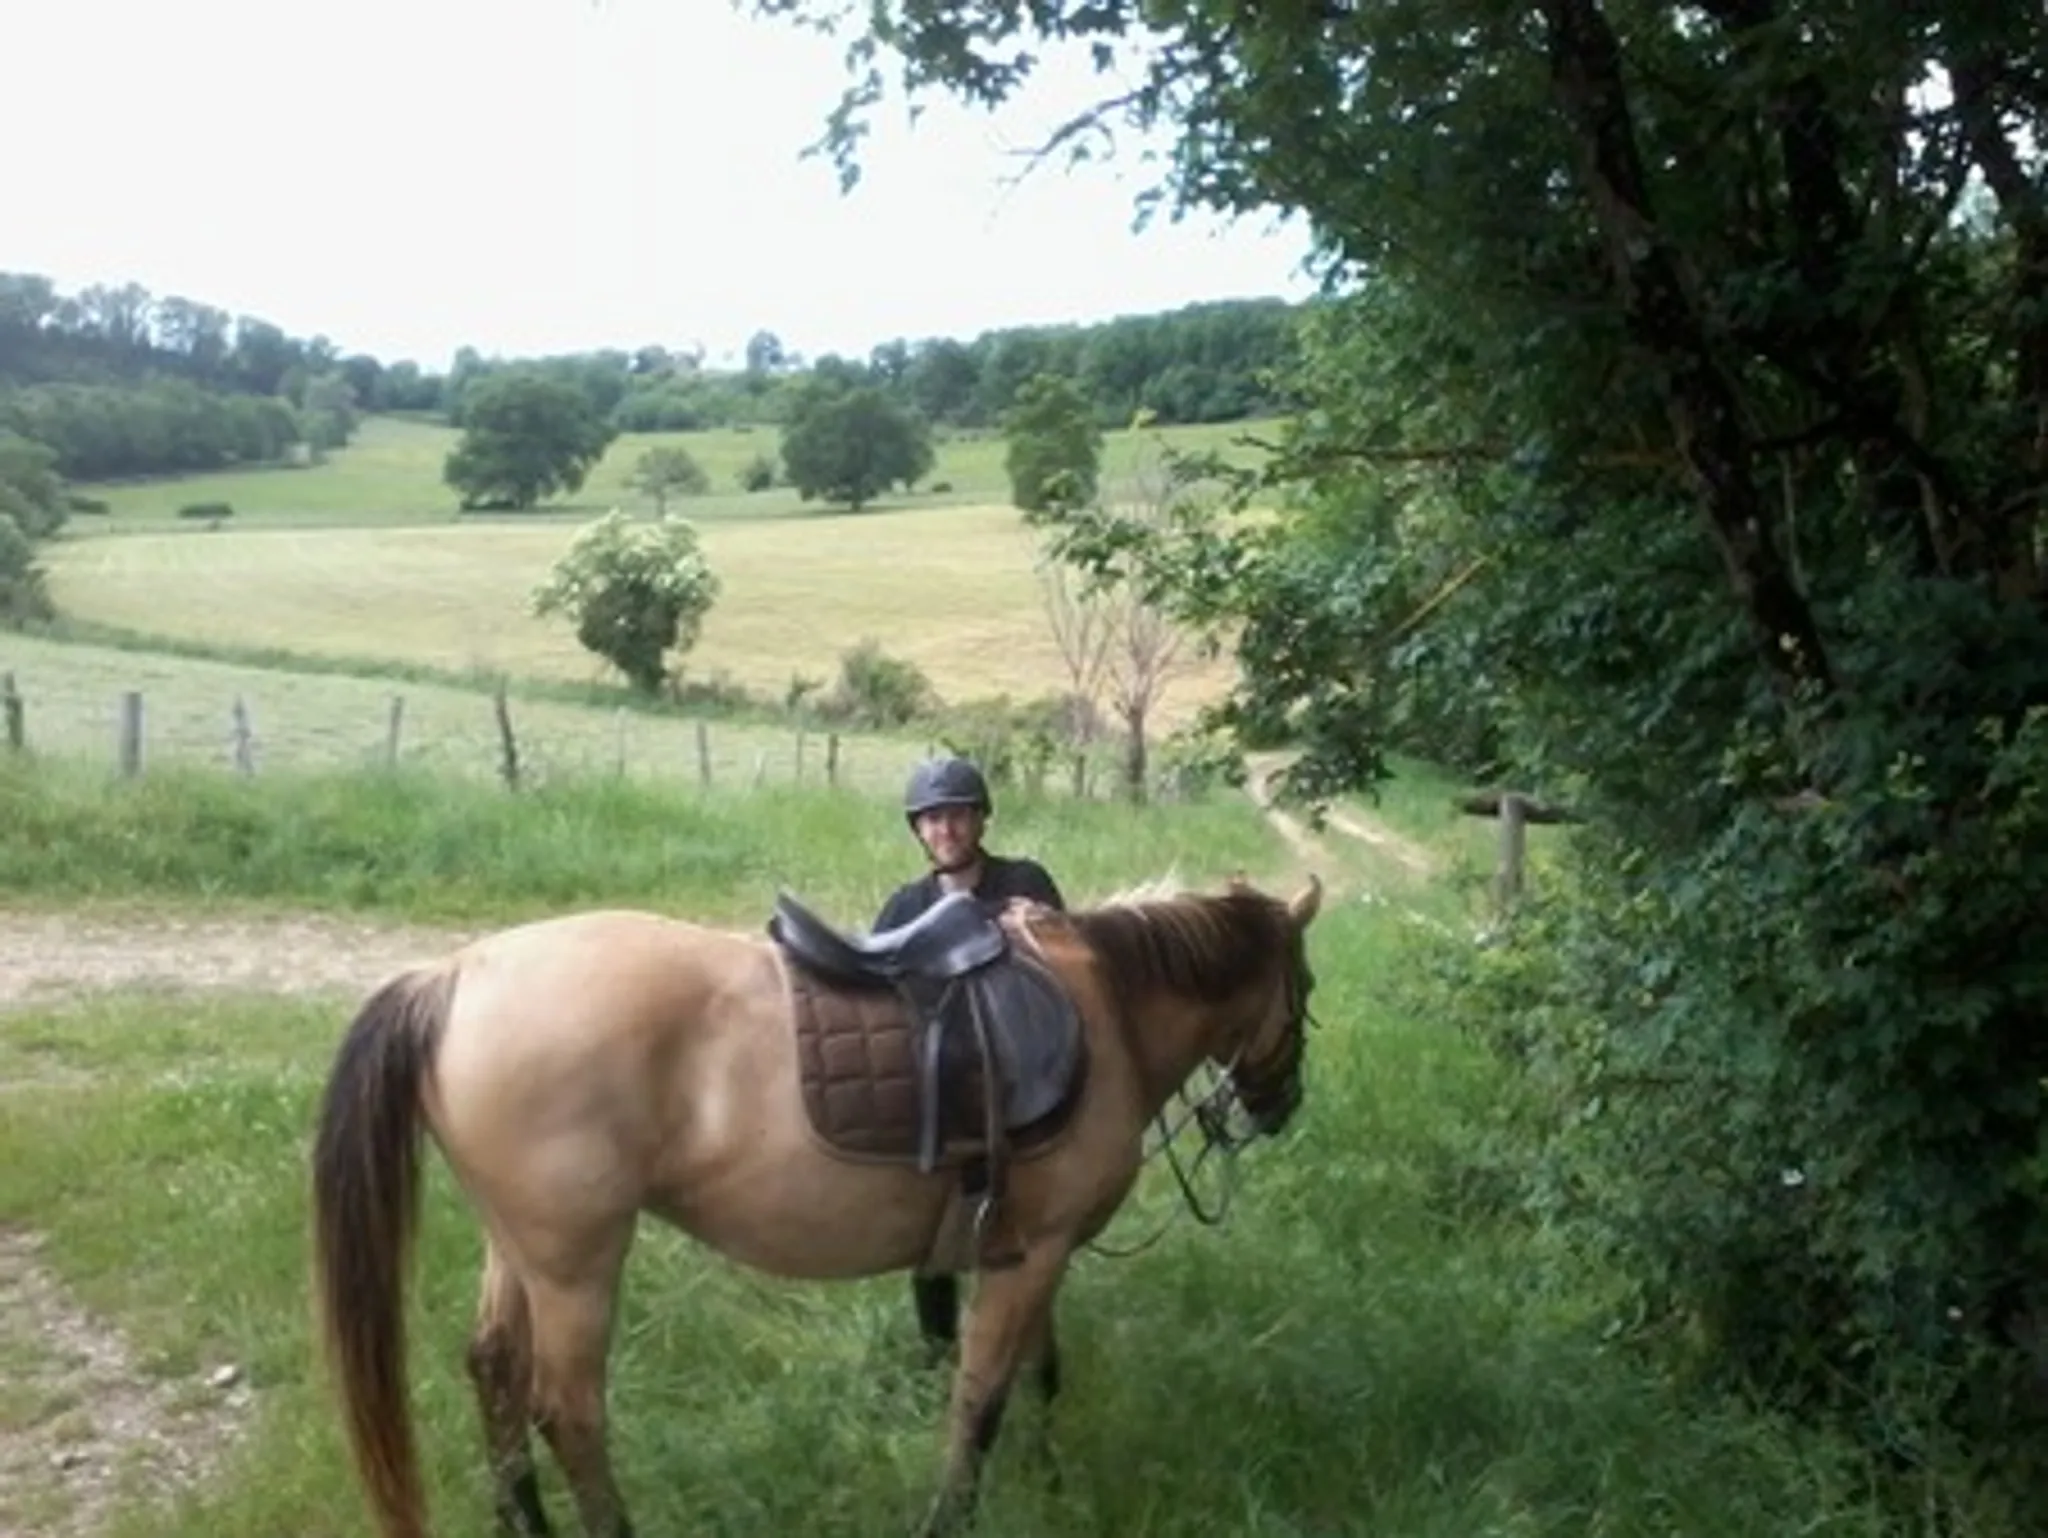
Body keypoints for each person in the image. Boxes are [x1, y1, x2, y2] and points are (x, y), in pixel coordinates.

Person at [874, 755, 1065, 1357]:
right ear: (918, 830)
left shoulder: (1025, 881)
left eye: (956, 816)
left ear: (980, 820)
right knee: (933, 1199)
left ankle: (1027, 1326)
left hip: (1024, 1063)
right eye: (931, 820)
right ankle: (937, 1346)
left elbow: (1073, 965)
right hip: (945, 1069)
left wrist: (1042, 927)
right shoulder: (905, 905)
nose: (945, 830)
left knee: (1033, 1205)